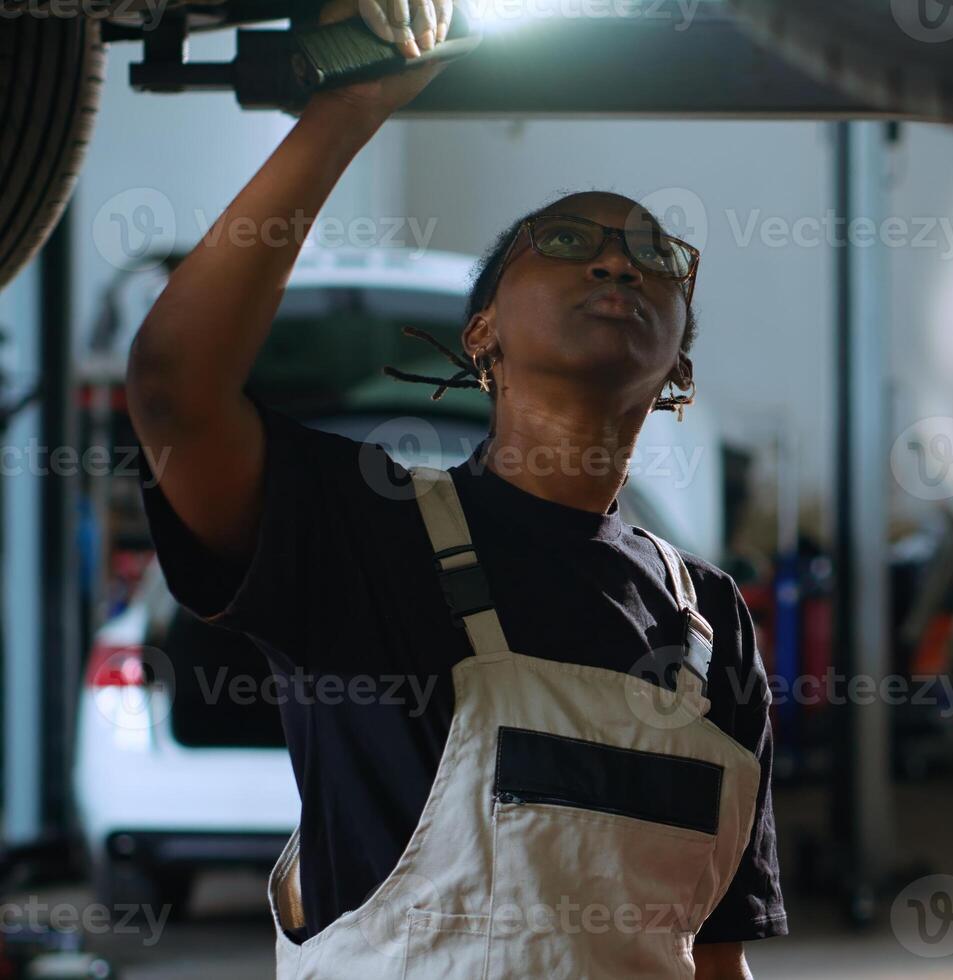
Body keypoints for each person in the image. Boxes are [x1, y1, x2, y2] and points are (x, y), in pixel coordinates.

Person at [124, 16, 785, 978]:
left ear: (677, 359)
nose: (615, 262)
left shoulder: (709, 621)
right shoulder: (363, 532)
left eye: (652, 255)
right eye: (567, 242)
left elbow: (715, 957)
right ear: (482, 335)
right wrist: (349, 110)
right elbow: (175, 386)